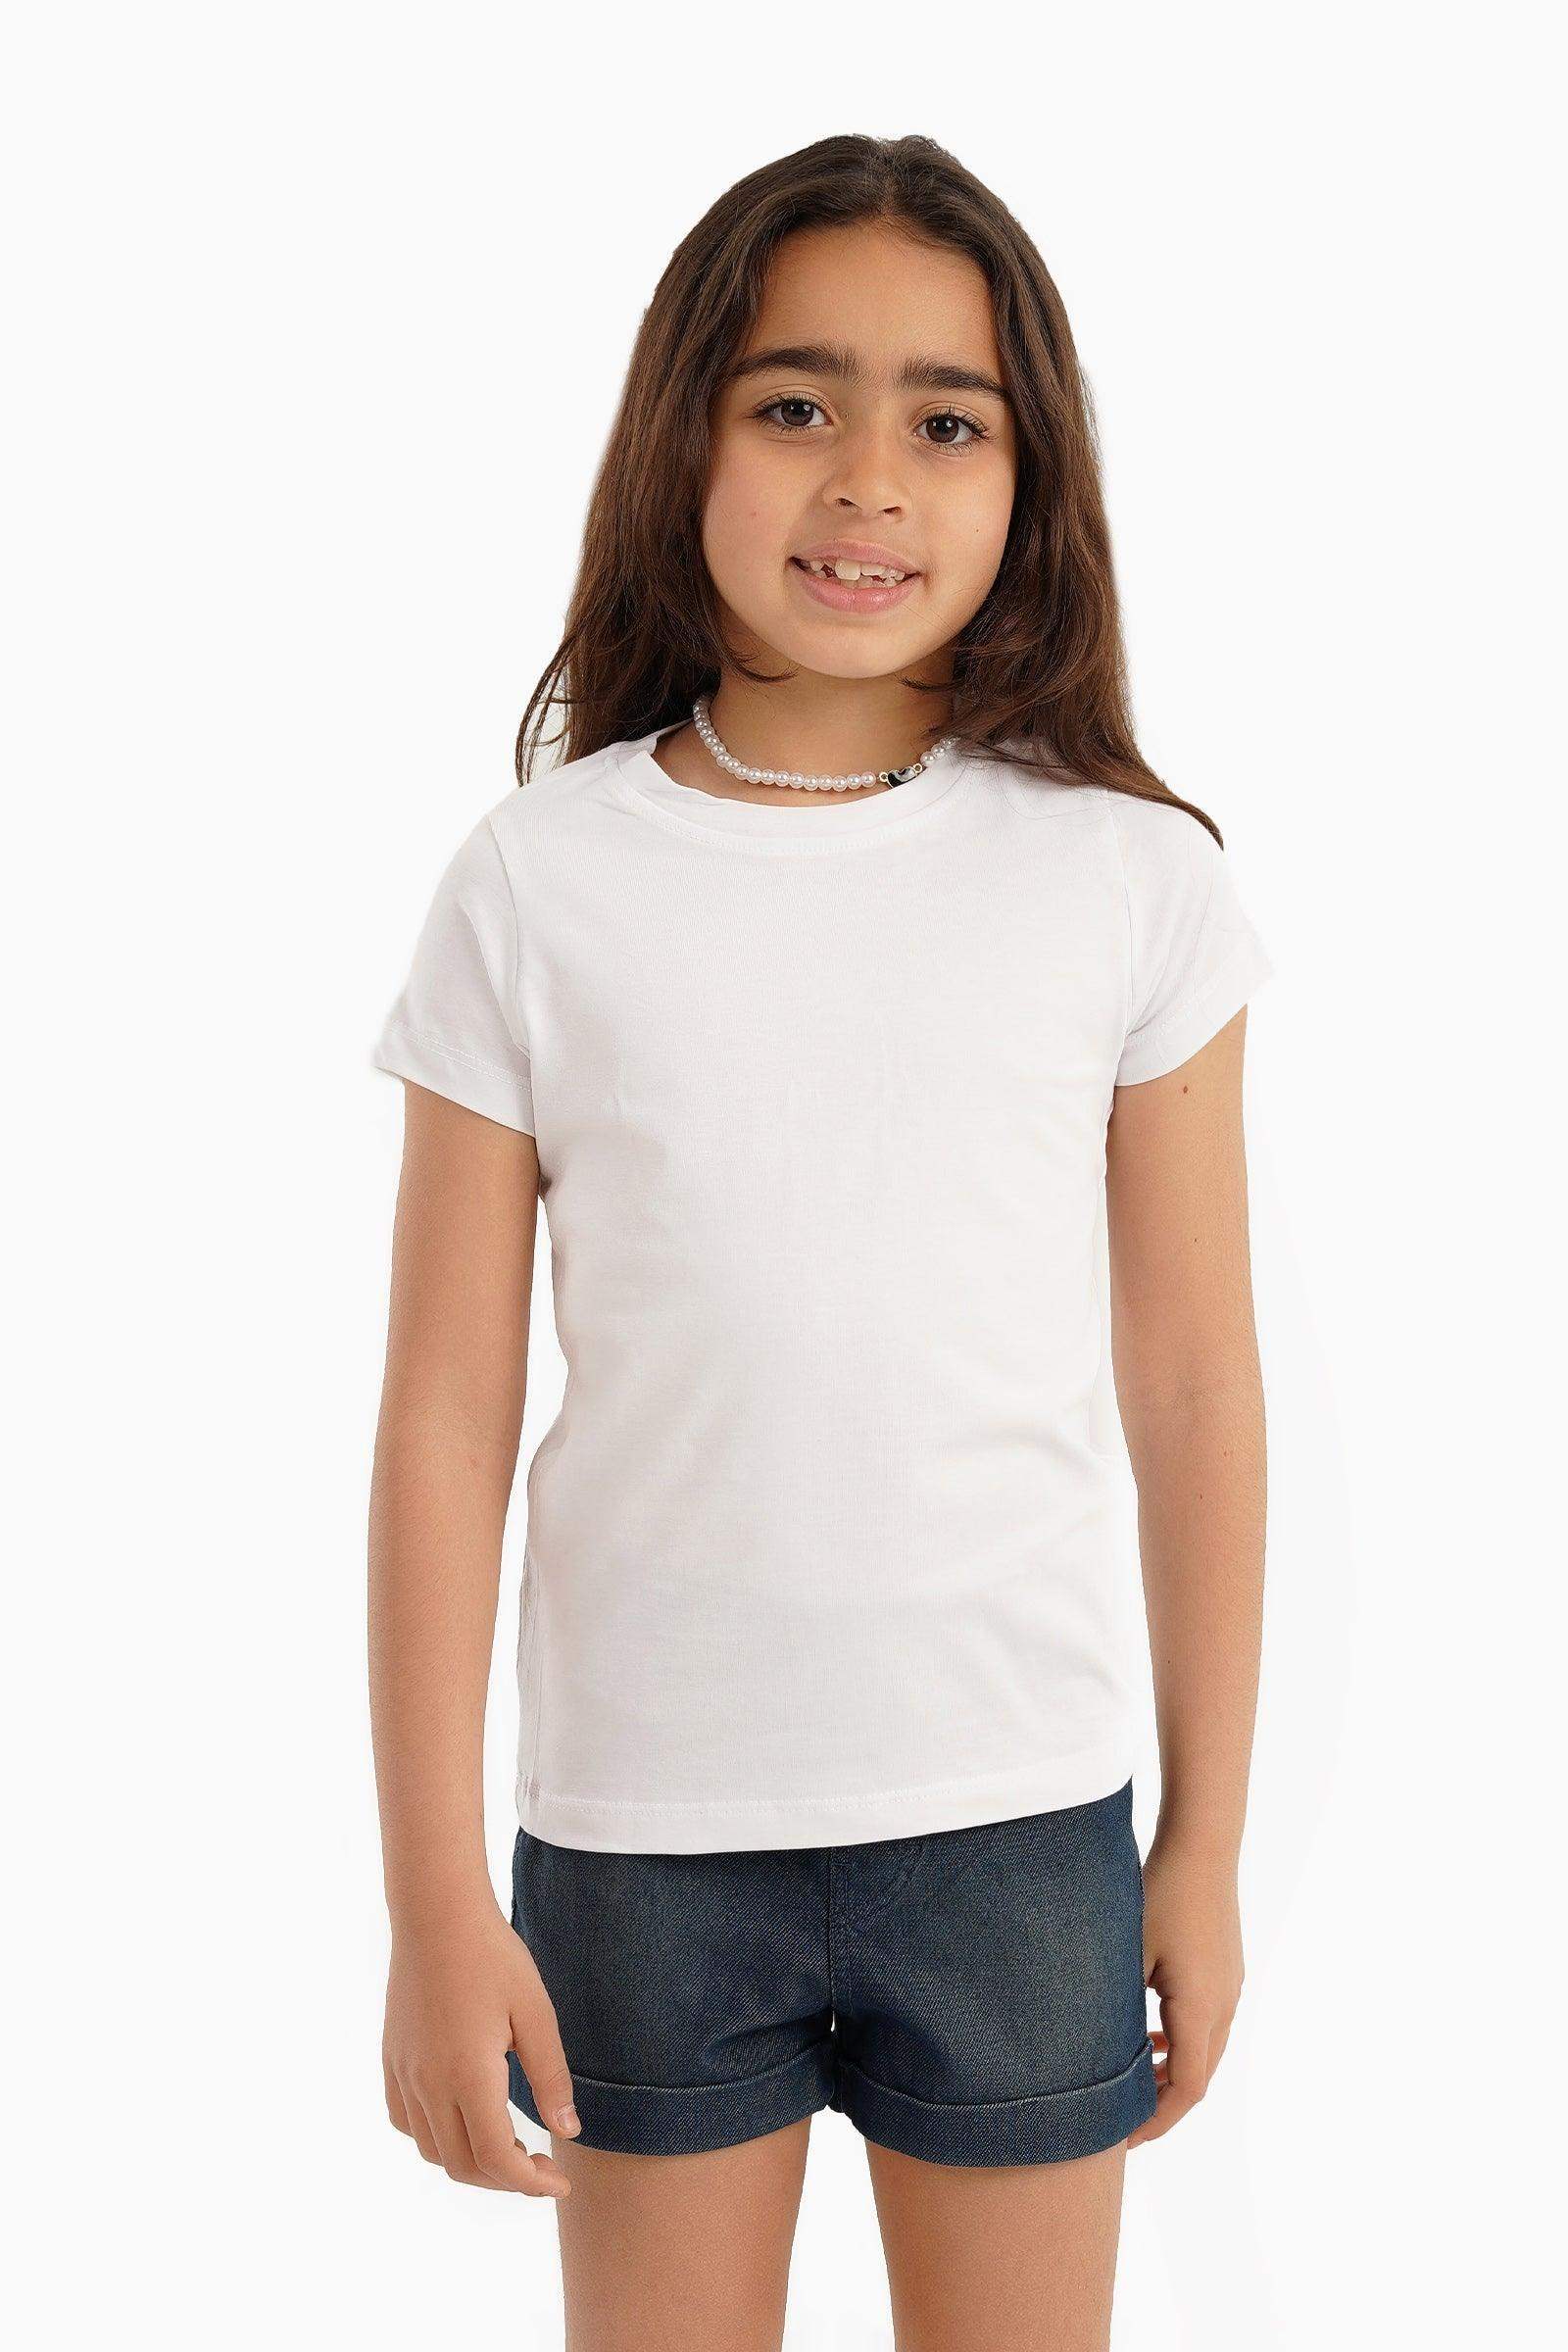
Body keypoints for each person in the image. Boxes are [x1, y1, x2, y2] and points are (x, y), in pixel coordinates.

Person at [368, 130, 1273, 2352]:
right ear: (682, 433)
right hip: (641, 1842)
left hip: (1019, 1823)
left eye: (947, 423)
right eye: (795, 404)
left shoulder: (1126, 881)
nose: (868, 480)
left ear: (1029, 479)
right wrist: (428, 1903)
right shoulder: (537, 882)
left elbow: (1191, 1387)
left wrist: (1202, 1843)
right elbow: (444, 1416)